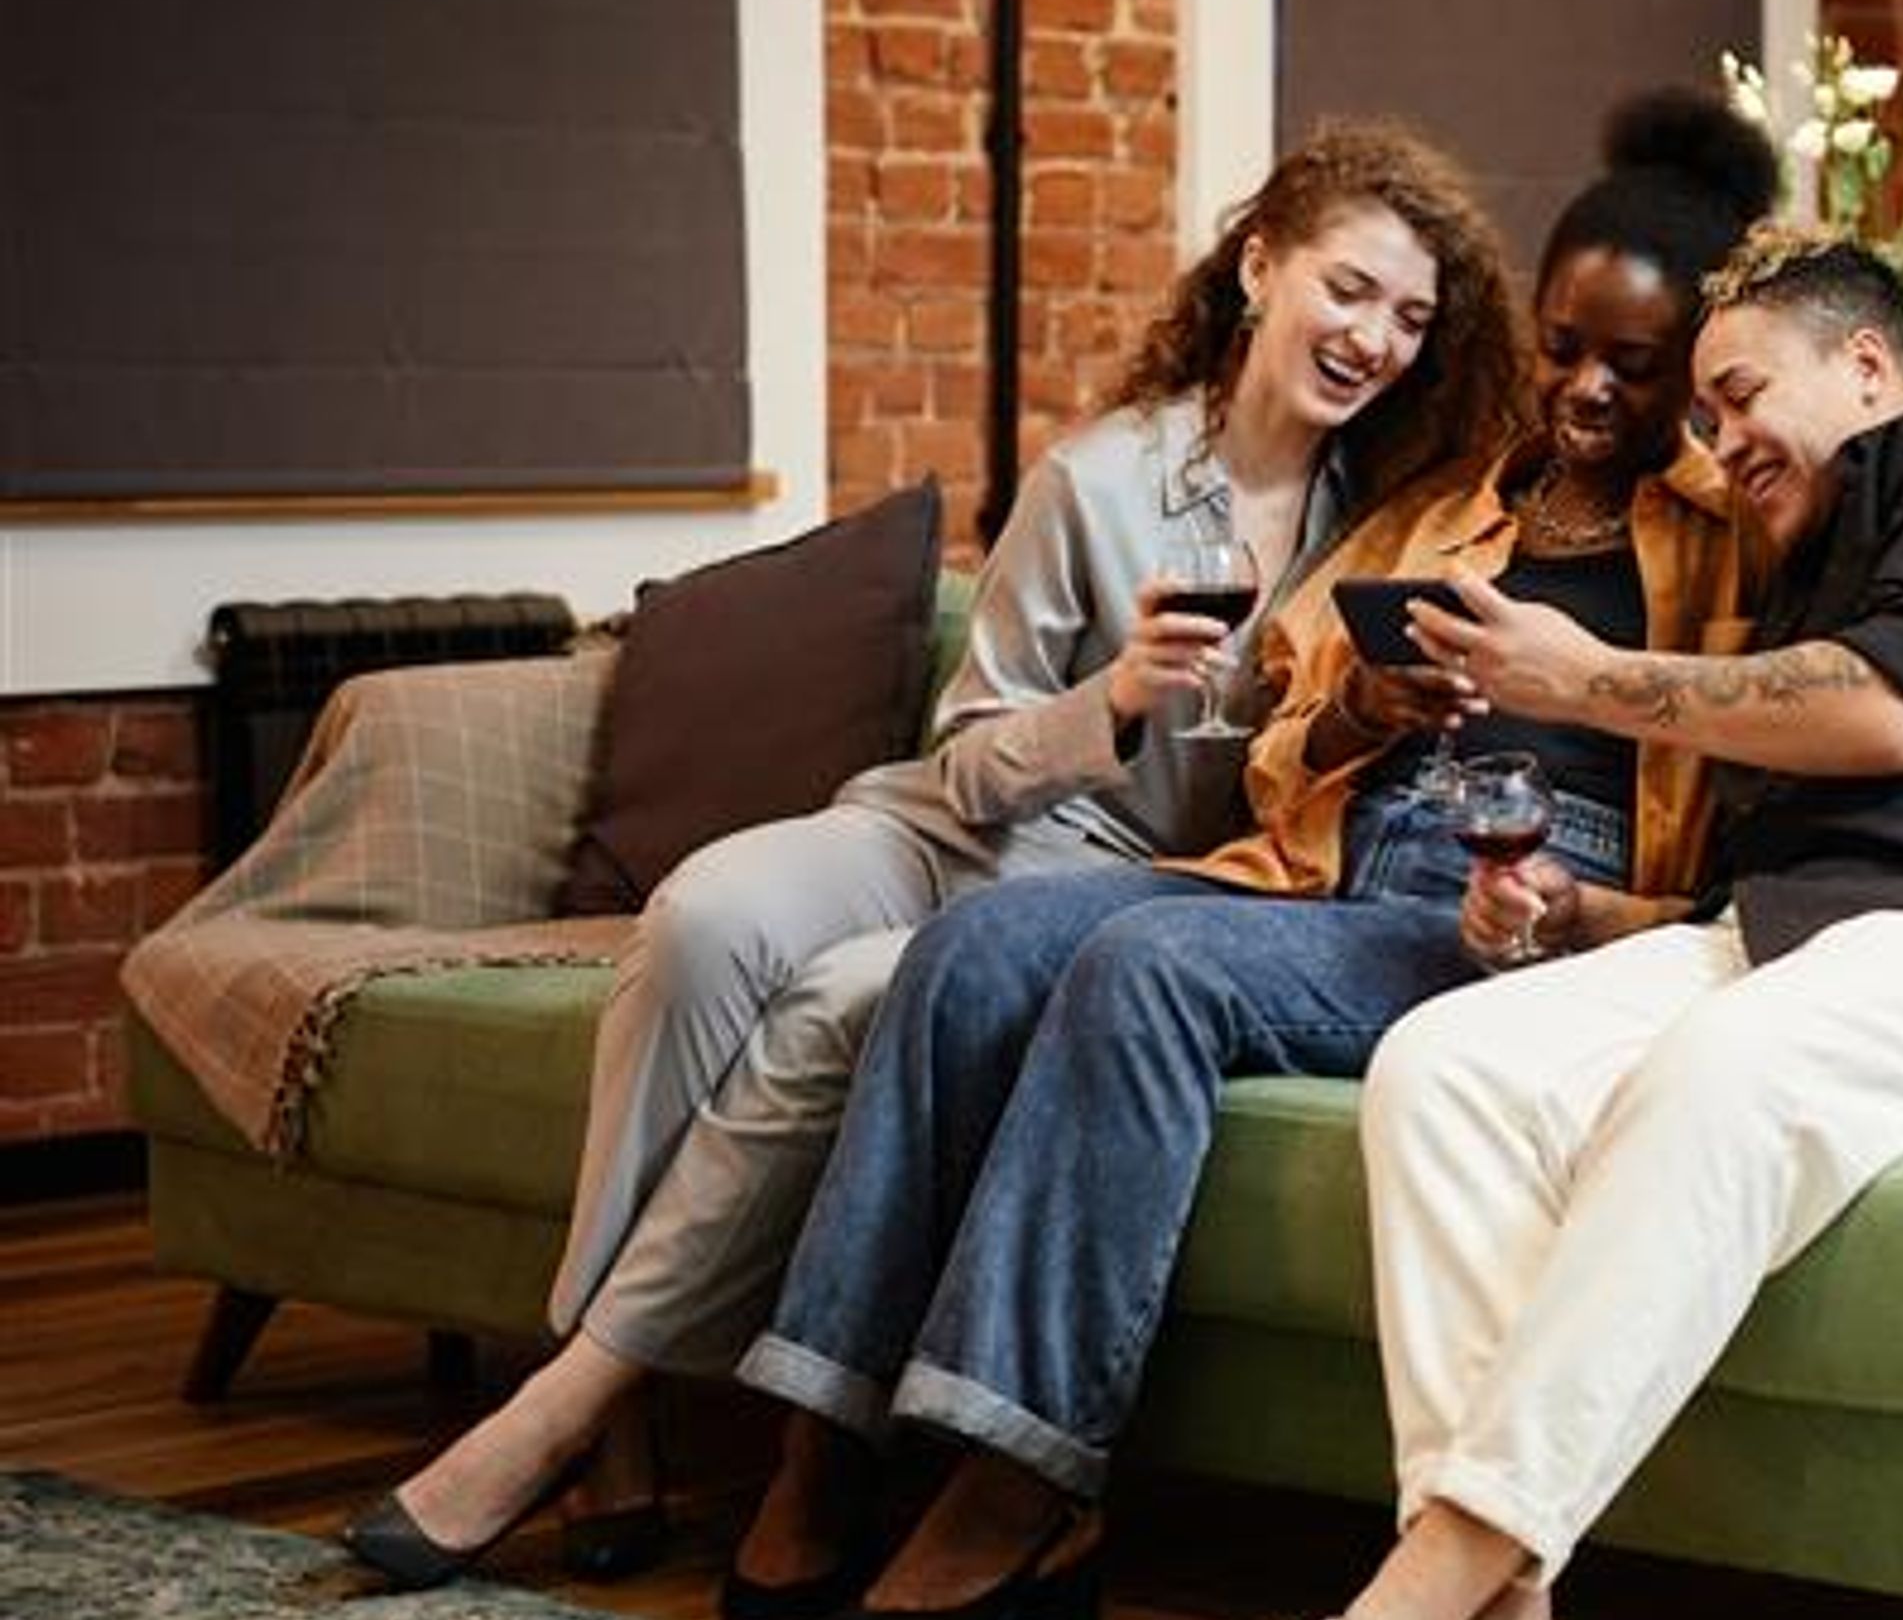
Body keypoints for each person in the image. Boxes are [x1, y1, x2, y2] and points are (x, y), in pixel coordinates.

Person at [342, 122, 1525, 1590]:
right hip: (950, 824)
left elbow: (1321, 784)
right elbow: (971, 752)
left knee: (845, 1001)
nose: (1375, 339)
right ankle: (621, 1401)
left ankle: (571, 1401)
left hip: (1103, 891)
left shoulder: (1395, 524)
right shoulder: (1099, 479)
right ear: (1261, 262)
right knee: (703, 915)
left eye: (1412, 317)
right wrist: (1115, 700)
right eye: (1349, 290)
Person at [714, 94, 1780, 1618]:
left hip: (1503, 912)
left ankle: (1022, 1487)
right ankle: (820, 1448)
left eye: (1635, 363)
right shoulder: (1443, 505)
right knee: (967, 956)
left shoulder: (1738, 533)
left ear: (1702, 369)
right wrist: (1363, 703)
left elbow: (1769, 739)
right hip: (1326, 865)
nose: (1585, 390)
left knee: (1151, 966)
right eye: (1560, 347)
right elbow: (1281, 726)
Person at [1325, 230, 1903, 1620]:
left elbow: (1894, 711)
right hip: (1794, 954)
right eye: (1707, 417)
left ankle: (1429, 1580)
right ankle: (1502, 1600)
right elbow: (1774, 897)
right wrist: (1584, 914)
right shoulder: (1803, 564)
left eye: (1738, 395)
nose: (1717, 439)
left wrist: (1594, 678)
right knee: (1444, 1071)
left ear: (1867, 364)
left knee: (1731, 1065)